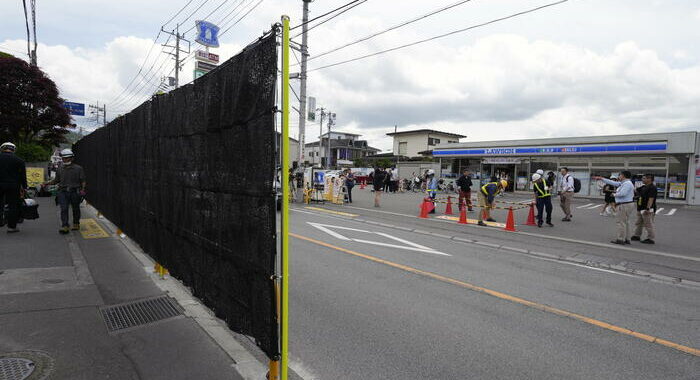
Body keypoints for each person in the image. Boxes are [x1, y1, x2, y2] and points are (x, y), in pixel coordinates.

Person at [44, 149, 86, 234]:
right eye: (64, 158)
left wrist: (82, 190)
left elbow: (83, 181)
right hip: (62, 192)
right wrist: (47, 183)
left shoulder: (78, 168)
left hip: (75, 192)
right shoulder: (60, 169)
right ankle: (65, 226)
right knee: (64, 208)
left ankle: (76, 223)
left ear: (72, 158)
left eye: (67, 158)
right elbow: (56, 180)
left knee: (75, 208)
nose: (65, 160)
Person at [593, 171, 635, 245]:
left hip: (624, 205)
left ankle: (620, 239)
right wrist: (602, 178)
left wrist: (614, 194)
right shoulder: (625, 183)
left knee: (621, 222)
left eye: (620, 175)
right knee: (626, 222)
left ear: (623, 176)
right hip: (627, 204)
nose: (618, 177)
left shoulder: (627, 184)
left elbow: (623, 193)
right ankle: (627, 238)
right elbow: (614, 183)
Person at [0, 142, 27, 233]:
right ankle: (12, 227)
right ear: (13, 150)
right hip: (14, 185)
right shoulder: (19, 160)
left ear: (2, 149)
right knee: (13, 206)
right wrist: (25, 187)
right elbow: (23, 175)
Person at [632, 174, 657, 244]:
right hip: (640, 208)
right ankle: (637, 235)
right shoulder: (643, 187)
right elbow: (636, 190)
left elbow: (651, 199)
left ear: (649, 179)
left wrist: (648, 208)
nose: (642, 179)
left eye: (644, 178)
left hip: (647, 209)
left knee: (648, 224)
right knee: (638, 223)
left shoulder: (652, 188)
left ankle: (650, 238)